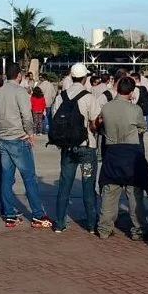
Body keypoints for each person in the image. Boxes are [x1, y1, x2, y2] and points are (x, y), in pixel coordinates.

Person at [0, 64, 52, 228]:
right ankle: (37, 214)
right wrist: (29, 133)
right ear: (18, 76)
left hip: (3, 139)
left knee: (7, 178)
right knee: (29, 178)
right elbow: (26, 115)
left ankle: (9, 214)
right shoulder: (20, 92)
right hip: (18, 138)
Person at [96, 76, 148, 240]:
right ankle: (138, 230)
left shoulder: (106, 108)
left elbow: (101, 126)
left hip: (112, 151)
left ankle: (104, 229)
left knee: (110, 192)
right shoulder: (135, 110)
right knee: (134, 193)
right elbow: (143, 127)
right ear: (132, 91)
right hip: (131, 153)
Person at [52, 63, 100, 234]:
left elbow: (54, 119)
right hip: (86, 147)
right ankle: (92, 224)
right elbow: (95, 123)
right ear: (85, 77)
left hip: (67, 148)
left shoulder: (60, 97)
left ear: (71, 77)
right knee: (88, 186)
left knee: (65, 185)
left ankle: (59, 223)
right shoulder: (88, 97)